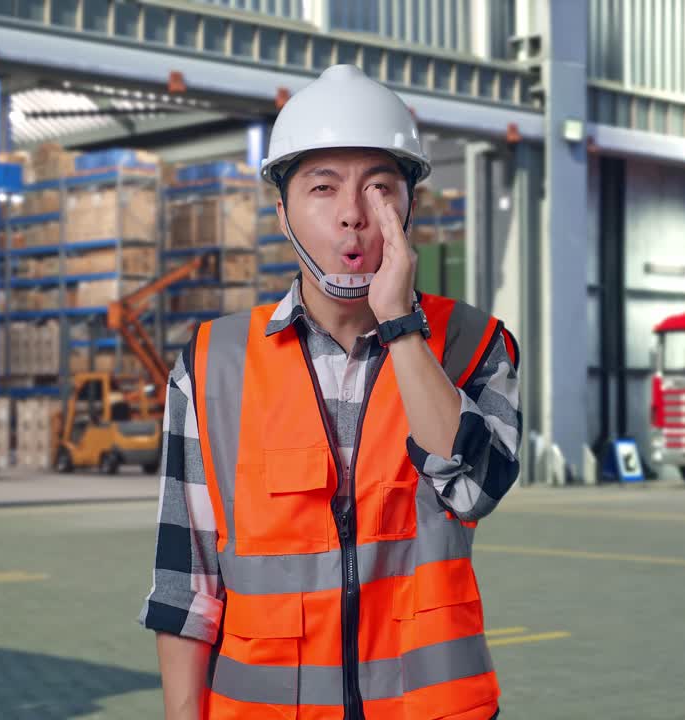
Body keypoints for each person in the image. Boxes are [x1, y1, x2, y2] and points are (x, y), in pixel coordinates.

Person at [139, 64, 522, 720]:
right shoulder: (212, 364)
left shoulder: (473, 343)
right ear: (282, 210)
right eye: (323, 188)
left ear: (409, 206)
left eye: (379, 189)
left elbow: (474, 489)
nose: (353, 216)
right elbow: (188, 582)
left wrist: (402, 326)